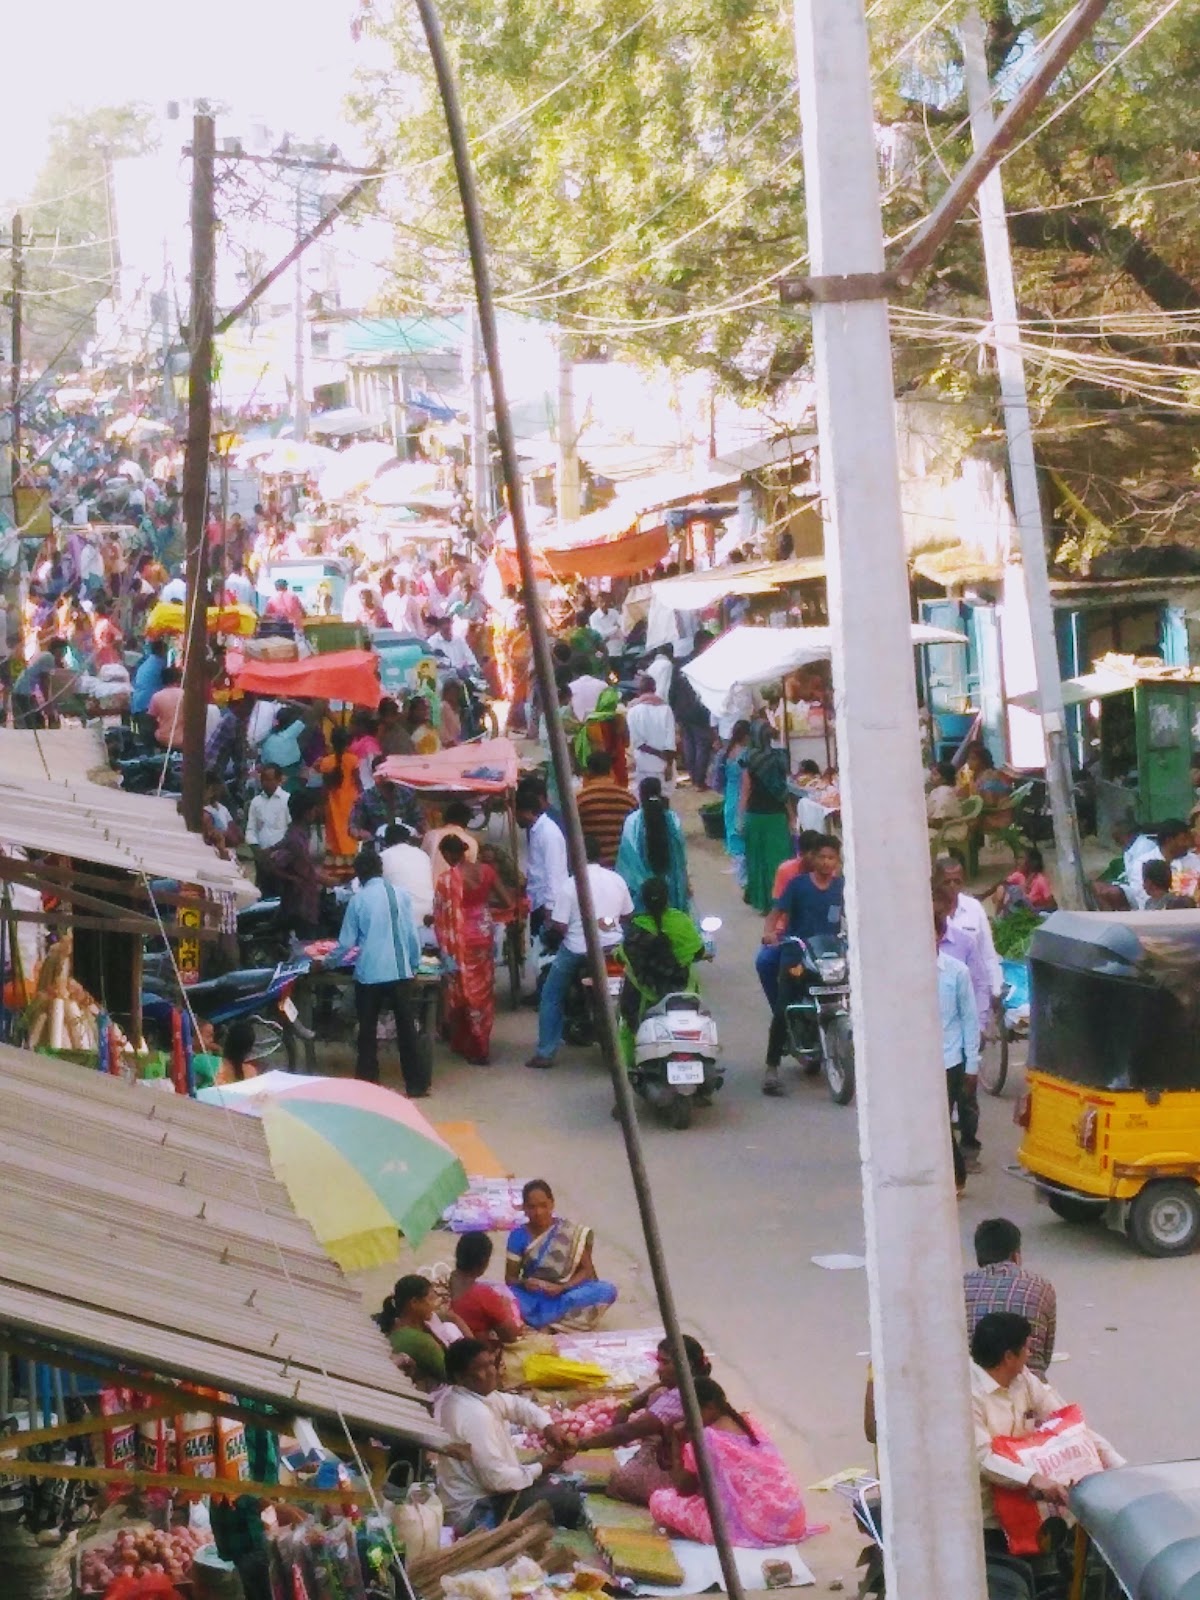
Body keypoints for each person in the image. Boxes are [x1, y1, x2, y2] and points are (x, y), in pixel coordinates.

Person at [970, 1312, 1123, 1534]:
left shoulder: (1023, 1379)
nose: (1030, 1354)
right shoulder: (967, 1394)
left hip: (1031, 1503)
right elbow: (982, 1458)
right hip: (987, 1518)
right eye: (1026, 1348)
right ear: (1009, 1357)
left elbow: (1069, 1426)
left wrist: (1117, 1467)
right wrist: (1034, 1479)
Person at [434, 1338, 582, 1532]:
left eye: (490, 1364)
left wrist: (548, 1426)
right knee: (568, 1501)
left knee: (544, 1476)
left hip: (491, 1488)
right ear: (461, 1377)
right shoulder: (472, 1414)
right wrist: (544, 1466)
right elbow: (497, 1480)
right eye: (481, 1369)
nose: (492, 1372)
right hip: (477, 1511)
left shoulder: (477, 1395)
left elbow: (517, 1406)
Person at [648, 1378, 816, 1548]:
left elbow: (684, 1489)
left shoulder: (706, 1439)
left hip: (753, 1527)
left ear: (711, 1408)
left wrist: (676, 1447)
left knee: (659, 1500)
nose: (687, 1418)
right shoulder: (750, 1422)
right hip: (791, 1520)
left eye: (689, 1411)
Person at [324, 847, 428, 1094]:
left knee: (367, 1031)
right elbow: (412, 935)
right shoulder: (400, 895)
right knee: (407, 1031)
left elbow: (346, 943)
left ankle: (369, 1083)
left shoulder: (358, 900)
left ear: (359, 874)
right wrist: (413, 964)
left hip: (369, 974)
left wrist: (327, 962)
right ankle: (416, 1085)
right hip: (400, 972)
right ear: (381, 870)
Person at [527, 835, 634, 1070]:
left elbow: (560, 926)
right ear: (600, 856)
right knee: (631, 993)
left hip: (577, 950)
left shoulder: (570, 885)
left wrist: (551, 932)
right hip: (613, 948)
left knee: (550, 995)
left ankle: (545, 1052)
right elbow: (627, 916)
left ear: (575, 857)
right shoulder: (616, 880)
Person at [573, 1336, 711, 1504]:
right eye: (659, 1362)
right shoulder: (693, 1384)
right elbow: (655, 1389)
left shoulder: (681, 1396)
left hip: (685, 1473)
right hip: (686, 1462)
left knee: (622, 1482)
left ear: (686, 1365)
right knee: (656, 1395)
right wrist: (628, 1406)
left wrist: (582, 1444)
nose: (658, 1370)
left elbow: (629, 1431)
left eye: (665, 1363)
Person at [763, 836, 845, 1097]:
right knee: (783, 1008)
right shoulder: (798, 886)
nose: (826, 861)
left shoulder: (842, 888)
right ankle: (771, 1068)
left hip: (829, 956)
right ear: (813, 859)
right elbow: (775, 914)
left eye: (831, 857)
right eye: (822, 856)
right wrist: (770, 933)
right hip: (797, 954)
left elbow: (855, 915)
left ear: (837, 861)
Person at [434, 834, 513, 1064]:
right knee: (483, 990)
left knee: (462, 988)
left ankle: (469, 1041)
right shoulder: (487, 871)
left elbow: (440, 912)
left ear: (448, 854)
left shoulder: (447, 879)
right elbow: (507, 901)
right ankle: (481, 1043)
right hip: (483, 933)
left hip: (460, 940)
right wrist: (482, 906)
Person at [505, 1179, 618, 1328]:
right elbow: (510, 1279)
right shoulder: (518, 1236)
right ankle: (557, 1323)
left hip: (565, 1293)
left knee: (606, 1290)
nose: (538, 1212)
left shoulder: (569, 1231)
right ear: (524, 1208)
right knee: (506, 1297)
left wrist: (564, 1287)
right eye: (532, 1207)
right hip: (534, 1296)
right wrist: (525, 1283)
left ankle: (544, 1322)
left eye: (543, 1205)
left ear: (552, 1204)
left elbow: (587, 1269)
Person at [965, 1219, 1057, 1377]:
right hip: (1030, 1380)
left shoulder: (961, 1286)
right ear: (1016, 1256)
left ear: (979, 1257)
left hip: (974, 1384)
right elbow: (1045, 1353)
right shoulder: (1040, 1286)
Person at [936, 907, 979, 1194]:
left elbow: (969, 1019)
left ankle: (957, 1175)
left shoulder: (956, 972)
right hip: (917, 1061)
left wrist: (971, 1065)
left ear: (939, 936)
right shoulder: (903, 974)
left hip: (949, 1059)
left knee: (939, 1120)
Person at [615, 777, 689, 913]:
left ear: (640, 795)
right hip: (671, 892)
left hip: (642, 897)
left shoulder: (632, 822)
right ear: (660, 793)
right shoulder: (672, 819)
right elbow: (680, 858)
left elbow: (627, 862)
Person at [740, 721, 792, 914]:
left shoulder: (748, 758)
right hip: (777, 815)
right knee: (778, 860)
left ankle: (763, 903)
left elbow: (745, 791)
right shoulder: (779, 757)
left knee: (758, 860)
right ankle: (781, 902)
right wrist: (792, 816)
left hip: (756, 815)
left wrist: (740, 818)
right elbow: (784, 789)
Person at [264, 790, 327, 939]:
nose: (316, 812)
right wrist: (293, 879)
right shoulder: (296, 839)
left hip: (305, 900)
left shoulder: (299, 834)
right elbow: (274, 863)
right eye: (313, 809)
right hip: (300, 904)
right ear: (307, 812)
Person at [448, 1234, 523, 1345]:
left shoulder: (442, 1283)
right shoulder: (483, 1294)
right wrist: (505, 1307)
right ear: (484, 1262)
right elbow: (511, 1336)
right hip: (475, 1353)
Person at [517, 783, 569, 940]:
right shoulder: (536, 830)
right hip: (537, 900)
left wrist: (550, 908)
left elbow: (554, 871)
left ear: (525, 812)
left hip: (545, 904)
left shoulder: (548, 832)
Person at [379, 1274, 449, 1388]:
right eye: (431, 1299)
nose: (434, 1305)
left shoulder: (396, 1324)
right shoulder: (422, 1342)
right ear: (414, 1303)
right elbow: (452, 1376)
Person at [575, 751, 637, 868]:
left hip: (591, 867)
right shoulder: (629, 799)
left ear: (589, 772)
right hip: (622, 865)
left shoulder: (580, 799)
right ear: (610, 771)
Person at [317, 726, 362, 875]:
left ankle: (335, 871)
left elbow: (324, 787)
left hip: (332, 805)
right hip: (350, 803)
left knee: (334, 837)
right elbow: (358, 782)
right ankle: (350, 869)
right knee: (349, 836)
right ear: (348, 743)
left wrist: (321, 805)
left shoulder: (326, 762)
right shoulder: (353, 760)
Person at [350, 754, 424, 839]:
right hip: (377, 847)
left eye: (388, 772)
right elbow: (354, 827)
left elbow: (420, 821)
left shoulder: (407, 794)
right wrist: (372, 837)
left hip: (405, 844)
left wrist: (415, 832)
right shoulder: (365, 798)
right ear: (374, 774)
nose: (385, 777)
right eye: (381, 773)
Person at [625, 673, 677, 790]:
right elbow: (671, 741)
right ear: (654, 689)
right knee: (664, 799)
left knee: (646, 799)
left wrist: (658, 754)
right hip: (664, 765)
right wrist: (667, 763)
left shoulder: (633, 711)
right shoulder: (666, 709)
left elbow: (637, 742)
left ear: (639, 692)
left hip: (643, 765)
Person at [574, 686, 630, 788]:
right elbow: (627, 743)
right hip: (618, 768)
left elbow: (588, 747)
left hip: (597, 771)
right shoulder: (620, 720)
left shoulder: (592, 722)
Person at [381, 822, 435, 925]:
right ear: (408, 839)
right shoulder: (422, 855)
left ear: (386, 840)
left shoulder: (383, 856)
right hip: (427, 913)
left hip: (400, 917)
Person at [718, 720, 751, 885]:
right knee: (740, 827)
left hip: (729, 794)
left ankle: (737, 862)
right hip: (740, 793)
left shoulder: (728, 751)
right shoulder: (746, 754)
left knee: (731, 826)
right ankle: (742, 869)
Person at [12, 638, 69, 728]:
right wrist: (49, 707)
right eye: (63, 651)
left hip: (23, 691)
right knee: (32, 725)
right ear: (57, 649)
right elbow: (44, 682)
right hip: (23, 693)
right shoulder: (48, 657)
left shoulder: (43, 655)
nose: (63, 654)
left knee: (37, 720)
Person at [424, 799, 479, 881]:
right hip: (456, 890)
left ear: (445, 817)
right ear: (467, 821)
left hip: (428, 888)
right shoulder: (472, 842)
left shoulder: (431, 835)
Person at [130, 638, 168, 746]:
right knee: (151, 741)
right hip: (148, 706)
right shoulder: (160, 664)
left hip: (137, 704)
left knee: (145, 741)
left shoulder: (146, 663)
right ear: (162, 651)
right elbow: (168, 683)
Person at [147, 664, 185, 749]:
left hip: (164, 739)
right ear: (179, 679)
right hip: (184, 739)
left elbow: (151, 720)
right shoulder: (185, 695)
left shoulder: (156, 696)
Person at [590, 595, 624, 660]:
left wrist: (611, 631)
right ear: (597, 604)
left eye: (606, 601)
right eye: (601, 602)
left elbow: (622, 625)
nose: (604, 604)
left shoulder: (614, 612)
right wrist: (616, 628)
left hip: (621, 647)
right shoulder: (594, 618)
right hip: (609, 652)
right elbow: (601, 634)